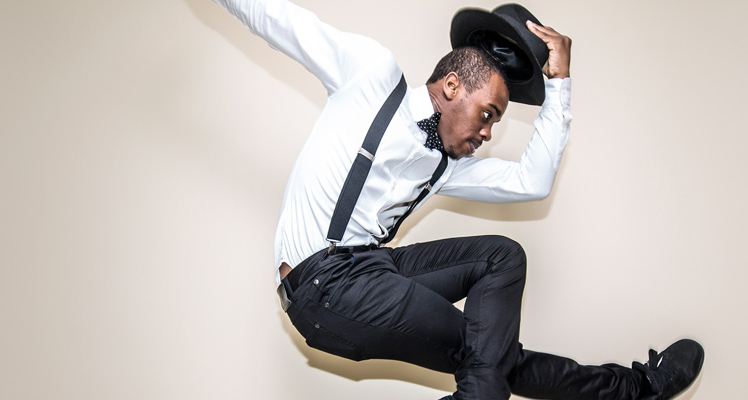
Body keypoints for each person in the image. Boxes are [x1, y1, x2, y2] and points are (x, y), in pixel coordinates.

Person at [209, 0, 704, 399]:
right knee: (487, 358)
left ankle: (635, 389)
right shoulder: (370, 76)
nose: (488, 134)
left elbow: (533, 181)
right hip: (324, 284)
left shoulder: (445, 164)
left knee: (498, 289)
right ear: (451, 86)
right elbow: (273, 15)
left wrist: (559, 84)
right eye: (488, 114)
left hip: (375, 269)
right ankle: (640, 388)